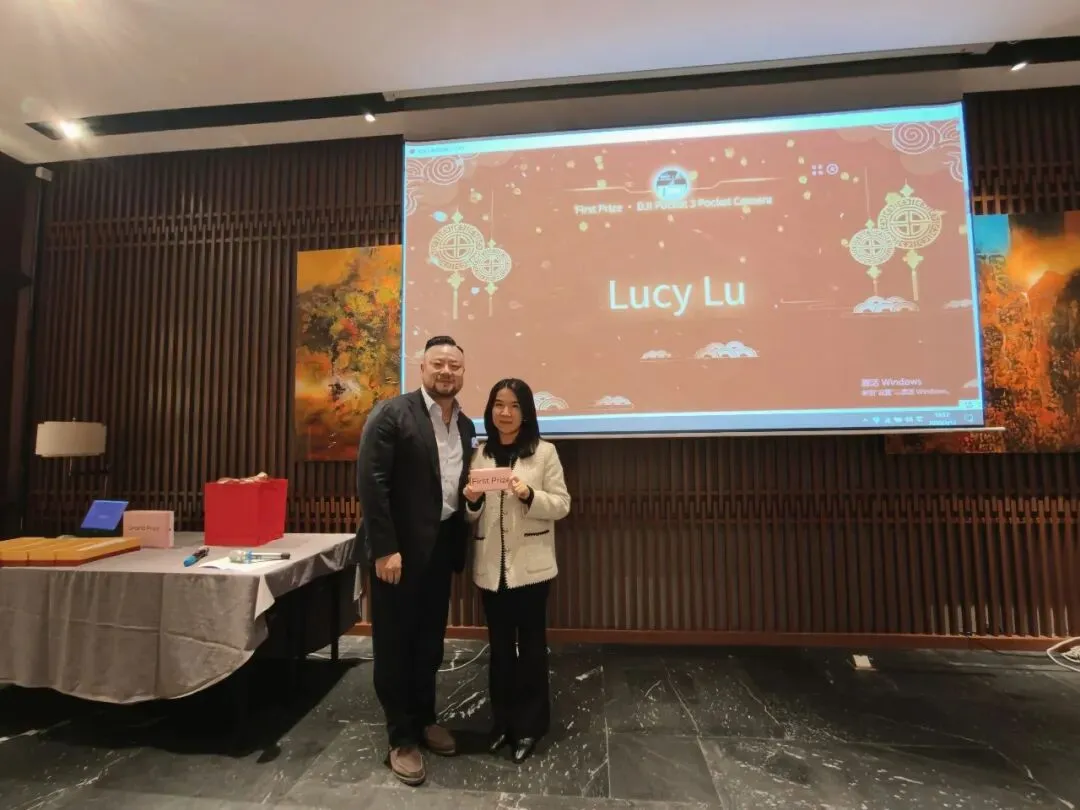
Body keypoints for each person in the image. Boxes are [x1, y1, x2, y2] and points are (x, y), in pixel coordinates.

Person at [356, 335, 476, 787]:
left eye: (454, 366)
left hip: (440, 546)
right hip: (399, 552)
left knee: (429, 642)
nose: (446, 371)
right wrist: (385, 548)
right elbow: (372, 483)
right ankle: (401, 737)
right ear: (422, 367)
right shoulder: (392, 414)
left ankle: (426, 718)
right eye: (438, 364)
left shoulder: (465, 424)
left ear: (462, 372)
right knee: (395, 644)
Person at [462, 378, 571, 764]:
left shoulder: (544, 453)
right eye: (498, 405)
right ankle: (502, 724)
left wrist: (528, 494)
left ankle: (530, 726)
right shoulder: (480, 454)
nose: (505, 413)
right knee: (500, 652)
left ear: (525, 413)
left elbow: (562, 504)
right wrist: (471, 501)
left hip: (531, 570)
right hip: (492, 570)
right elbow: (471, 516)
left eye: (513, 406)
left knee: (532, 651)